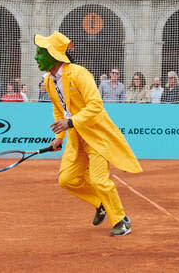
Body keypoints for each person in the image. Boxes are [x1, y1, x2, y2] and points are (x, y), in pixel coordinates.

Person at [36, 31, 142, 237]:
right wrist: (60, 137)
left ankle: (121, 220)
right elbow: (59, 109)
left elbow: (95, 105)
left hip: (96, 135)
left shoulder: (79, 73)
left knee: (98, 180)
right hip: (77, 137)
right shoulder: (49, 81)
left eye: (40, 52)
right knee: (66, 179)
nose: (36, 56)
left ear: (55, 54)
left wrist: (70, 122)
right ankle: (100, 203)